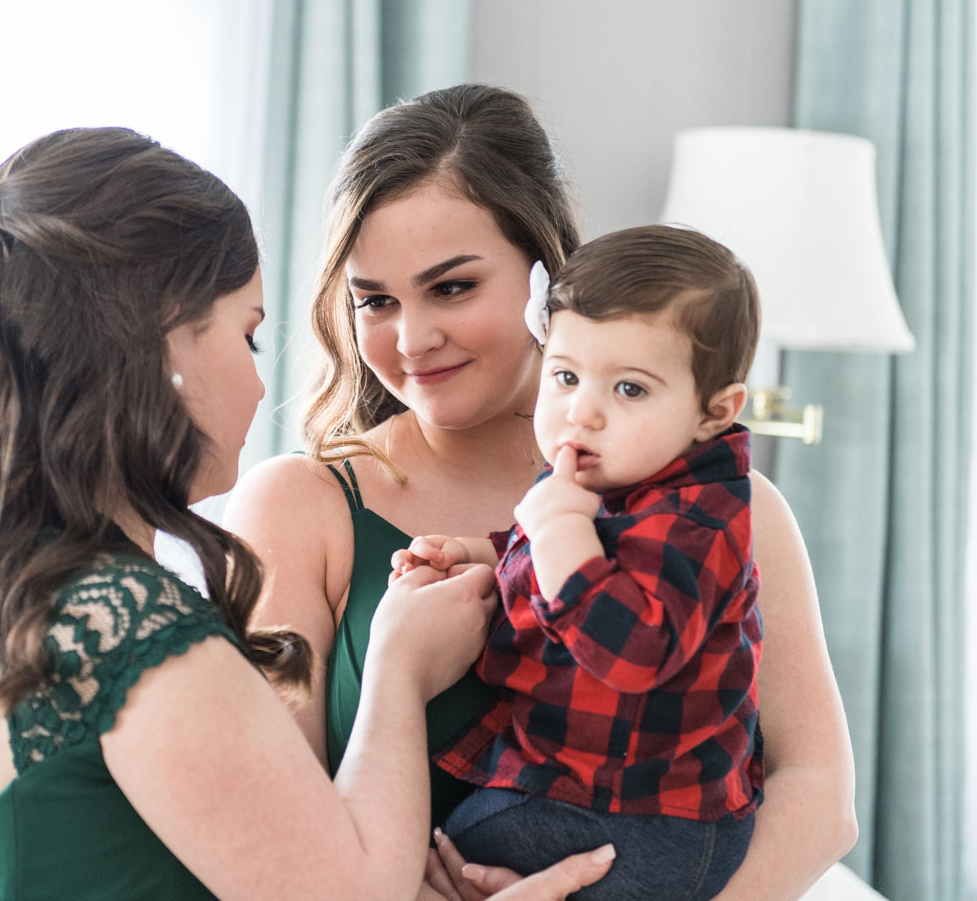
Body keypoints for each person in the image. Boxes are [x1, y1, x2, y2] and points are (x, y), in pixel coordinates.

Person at [0, 126, 612, 901]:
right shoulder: (126, 627)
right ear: (163, 343)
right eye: (247, 336)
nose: (259, 386)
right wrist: (399, 665)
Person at [223, 84, 858, 900]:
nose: (412, 339)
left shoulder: (734, 508)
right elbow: (276, 838)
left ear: (546, 281)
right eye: (375, 301)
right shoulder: (298, 507)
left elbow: (817, 796)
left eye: (452, 287)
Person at [394, 225, 764, 899]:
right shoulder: (616, 482)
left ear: (716, 412)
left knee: (429, 848)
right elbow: (569, 557)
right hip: (612, 799)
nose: (581, 413)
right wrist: (482, 551)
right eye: (564, 376)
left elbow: (632, 648)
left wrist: (558, 525)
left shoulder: (698, 518)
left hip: (651, 818)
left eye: (629, 390)